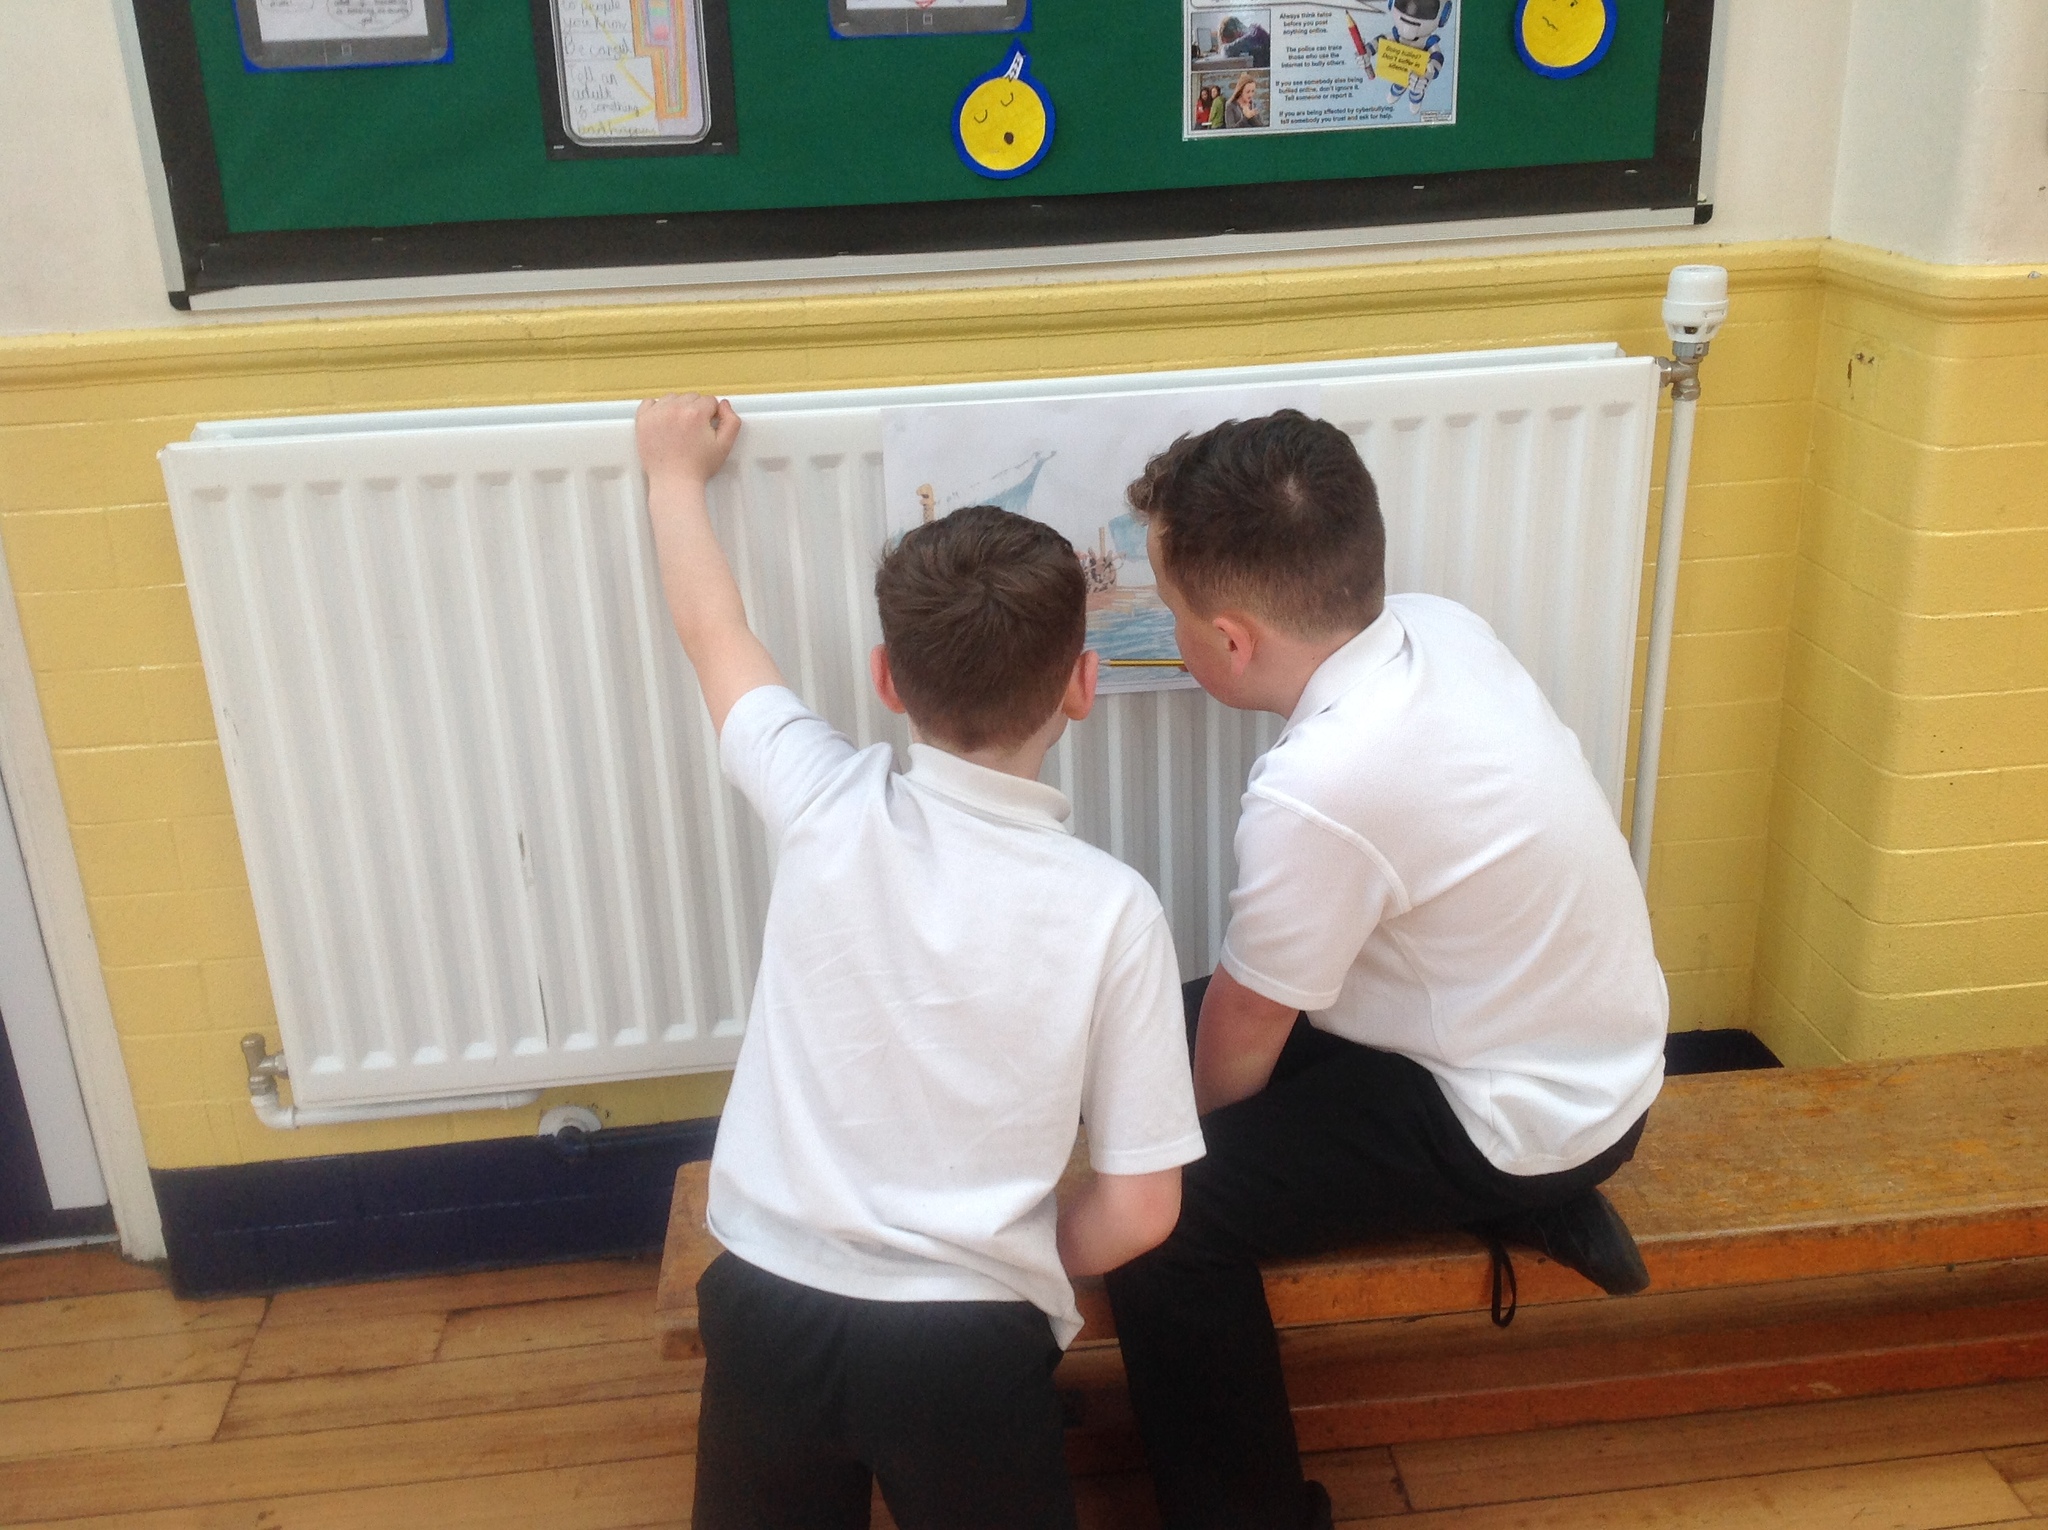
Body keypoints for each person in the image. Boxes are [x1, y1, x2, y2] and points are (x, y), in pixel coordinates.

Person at [637, 393, 1205, 1530]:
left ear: (885, 679)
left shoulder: (820, 799)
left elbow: (715, 634)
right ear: (1082, 684)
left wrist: (671, 477)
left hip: (765, 1303)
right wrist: (1007, 1258)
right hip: (965, 1350)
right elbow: (1143, 1211)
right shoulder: (1114, 911)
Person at [1103, 410, 1667, 1530]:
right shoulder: (1435, 628)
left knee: (1163, 1227)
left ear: (1230, 641)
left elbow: (1244, 1035)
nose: (1167, 630)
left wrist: (1181, 1161)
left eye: (1168, 611)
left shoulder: (1321, 787)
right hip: (1588, 1058)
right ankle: (1534, 1199)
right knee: (1144, 1035)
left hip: (1521, 1113)